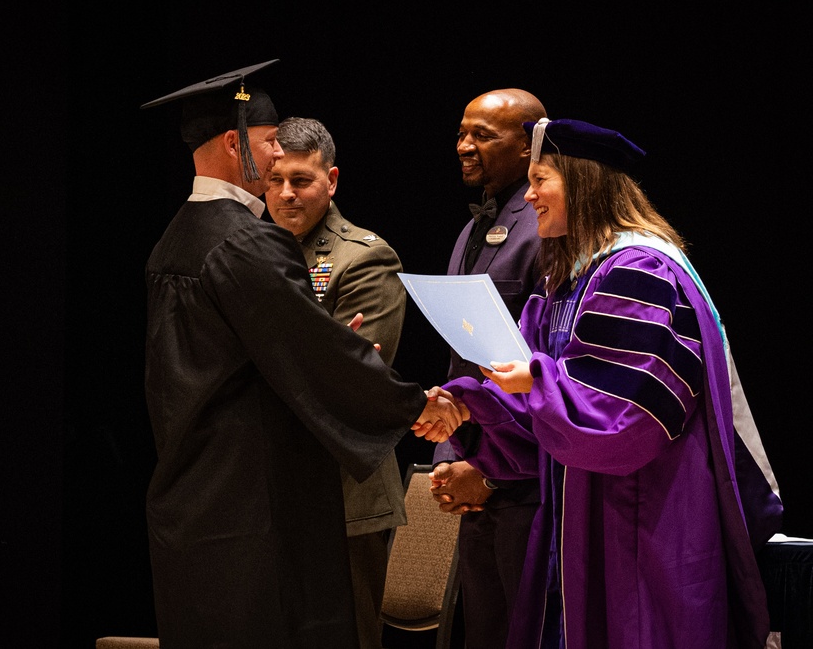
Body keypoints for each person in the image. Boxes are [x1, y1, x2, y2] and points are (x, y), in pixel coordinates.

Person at [139, 60, 467, 649]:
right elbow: (310, 353)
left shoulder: (174, 240)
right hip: (253, 511)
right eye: (267, 145)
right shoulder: (244, 241)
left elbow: (260, 357)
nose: (273, 162)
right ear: (234, 143)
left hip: (190, 498)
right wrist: (412, 402)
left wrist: (326, 344)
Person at [439, 117, 784, 647]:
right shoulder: (565, 281)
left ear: (582, 182)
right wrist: (464, 407)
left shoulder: (639, 270)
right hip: (577, 518)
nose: (528, 195)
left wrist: (534, 381)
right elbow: (534, 415)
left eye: (540, 178)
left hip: (640, 519)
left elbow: (621, 422)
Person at [265, 116, 406, 649]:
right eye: (275, 180)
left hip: (345, 492)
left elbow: (358, 383)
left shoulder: (363, 256)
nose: (285, 194)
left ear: (332, 180)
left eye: (301, 180)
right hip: (270, 488)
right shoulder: (246, 251)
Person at [427, 88, 546, 649]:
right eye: (460, 133)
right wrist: (450, 457)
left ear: (528, 145)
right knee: (483, 634)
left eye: (482, 135)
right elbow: (459, 358)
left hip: (527, 481)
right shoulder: (472, 228)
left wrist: (493, 472)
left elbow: (546, 367)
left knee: (527, 633)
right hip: (476, 475)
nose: (464, 146)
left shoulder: (546, 223)